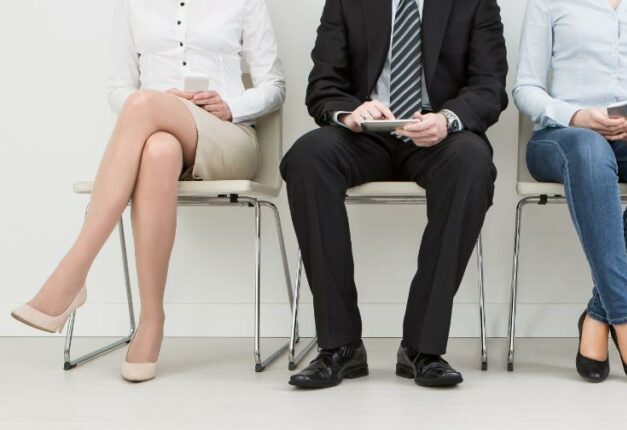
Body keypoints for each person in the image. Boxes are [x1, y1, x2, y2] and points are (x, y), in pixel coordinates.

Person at [10, 0, 285, 383]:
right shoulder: (133, 5)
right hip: (157, 134)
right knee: (157, 148)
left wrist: (230, 106)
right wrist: (161, 105)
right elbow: (117, 89)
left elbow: (274, 87)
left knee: (143, 103)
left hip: (228, 139)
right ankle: (151, 319)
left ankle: (72, 272)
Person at [281, 0, 508, 390]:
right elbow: (323, 87)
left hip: (437, 133)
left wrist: (446, 120)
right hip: (366, 134)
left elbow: (489, 86)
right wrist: (350, 113)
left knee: (472, 165)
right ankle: (341, 345)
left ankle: (423, 347)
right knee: (306, 158)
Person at [513, 0, 627, 386]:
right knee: (590, 151)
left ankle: (598, 314)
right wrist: (576, 117)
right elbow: (525, 88)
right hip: (562, 137)